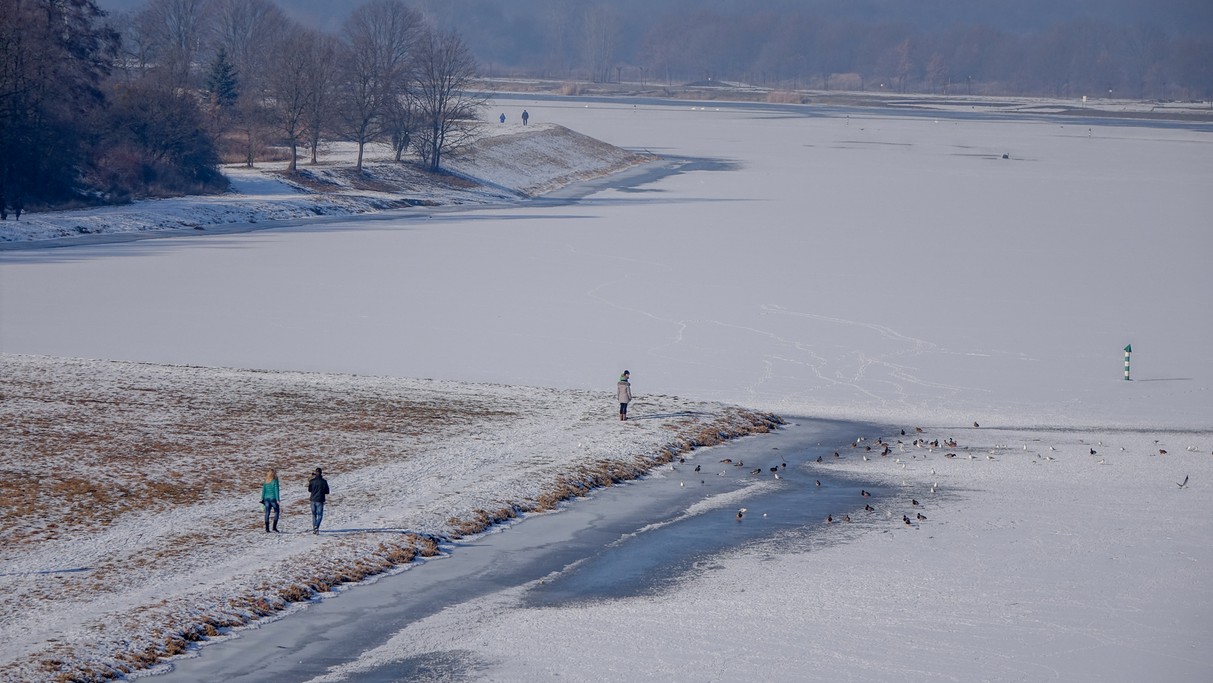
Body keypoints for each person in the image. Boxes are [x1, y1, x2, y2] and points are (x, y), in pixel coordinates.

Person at [308, 467, 330, 534]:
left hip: (313, 500)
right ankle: (316, 526)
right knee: (320, 515)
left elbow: (309, 490)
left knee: (314, 515)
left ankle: (315, 528)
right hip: (320, 500)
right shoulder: (324, 482)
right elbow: (327, 491)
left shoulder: (312, 481)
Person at [261, 468, 281, 533]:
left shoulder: (266, 481)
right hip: (273, 499)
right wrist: (278, 499)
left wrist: (262, 498)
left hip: (266, 498)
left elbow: (263, 490)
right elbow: (276, 490)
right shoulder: (275, 480)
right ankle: (274, 527)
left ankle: (267, 528)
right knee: (277, 512)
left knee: (267, 513)